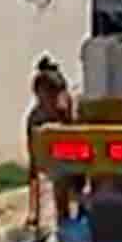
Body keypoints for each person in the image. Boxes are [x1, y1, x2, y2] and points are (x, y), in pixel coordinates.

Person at [25, 55, 84, 230]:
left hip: (79, 161)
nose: (53, 103)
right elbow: (34, 167)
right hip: (62, 164)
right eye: (44, 97)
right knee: (61, 184)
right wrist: (33, 211)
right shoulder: (35, 119)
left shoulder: (76, 111)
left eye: (57, 95)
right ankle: (65, 227)